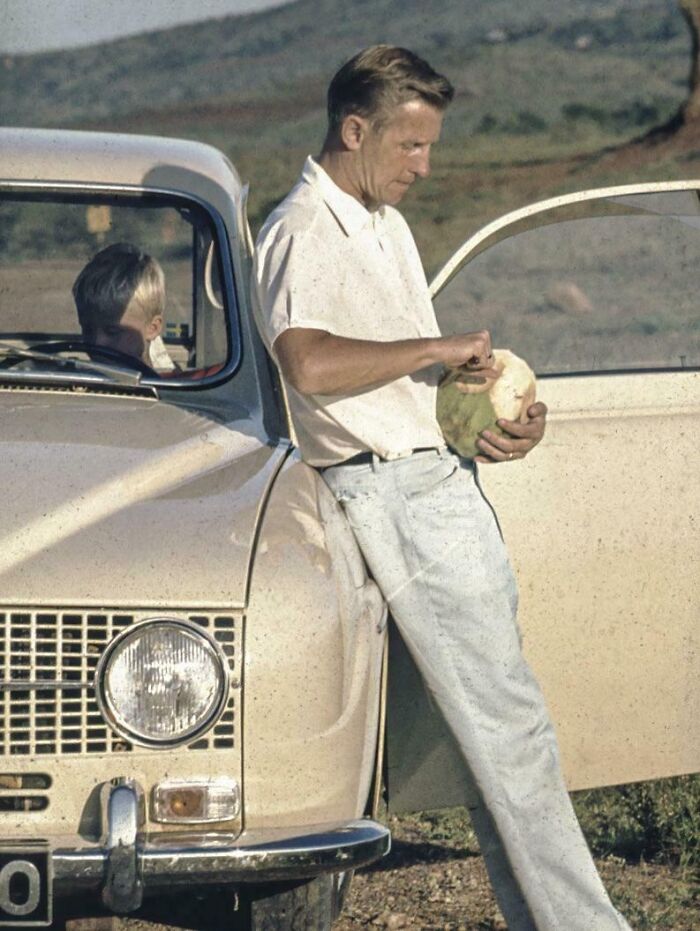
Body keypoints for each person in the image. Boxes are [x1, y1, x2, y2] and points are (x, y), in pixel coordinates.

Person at [252, 45, 632, 931]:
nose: (427, 167)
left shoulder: (383, 223)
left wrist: (498, 423)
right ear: (356, 130)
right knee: (513, 742)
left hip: (434, 486)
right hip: (392, 501)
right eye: (413, 146)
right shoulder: (301, 230)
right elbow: (307, 361)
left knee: (491, 750)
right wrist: (432, 351)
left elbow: (404, 391)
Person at [73, 242, 175, 371]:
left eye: (112, 332)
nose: (97, 342)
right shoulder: (81, 378)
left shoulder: (167, 385)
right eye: (88, 330)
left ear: (152, 328)